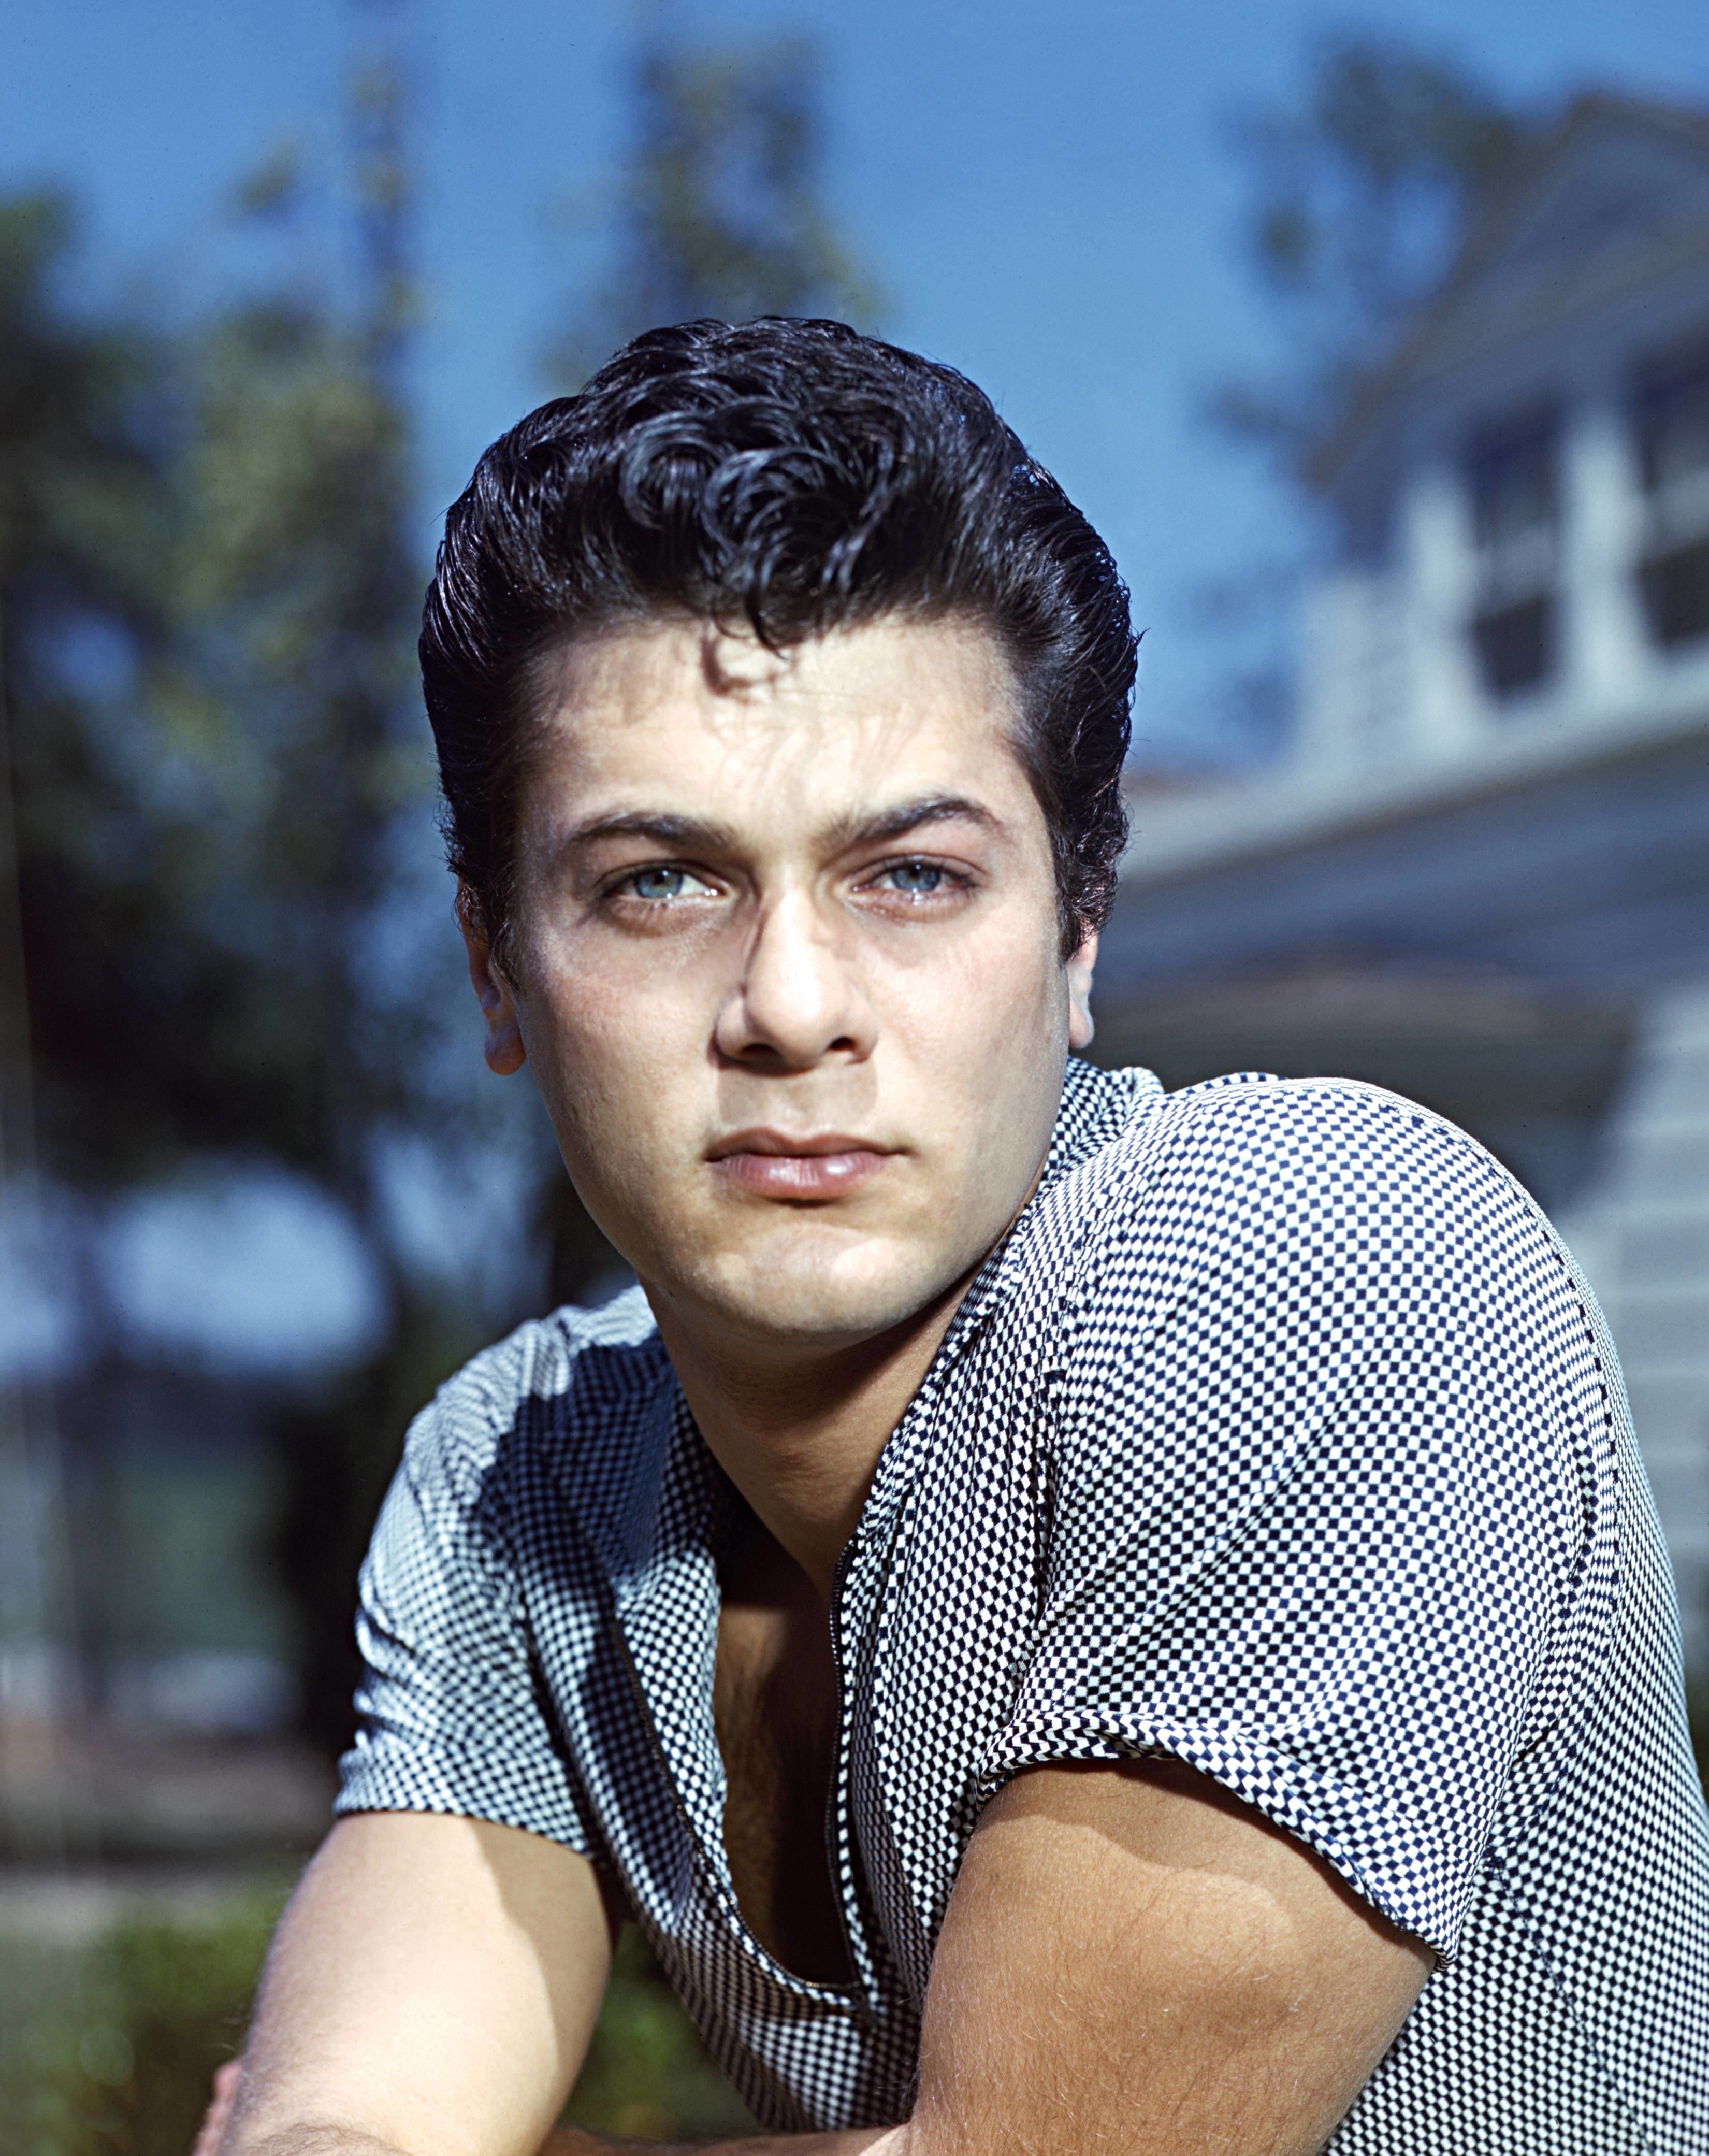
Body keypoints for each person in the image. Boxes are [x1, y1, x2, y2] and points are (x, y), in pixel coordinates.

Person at [202, 319, 1708, 2156]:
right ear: (496, 963)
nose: (791, 1005)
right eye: (657, 882)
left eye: (911, 876)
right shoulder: (516, 1472)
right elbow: (341, 2124)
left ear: (1076, 940)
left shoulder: (1313, 1261)